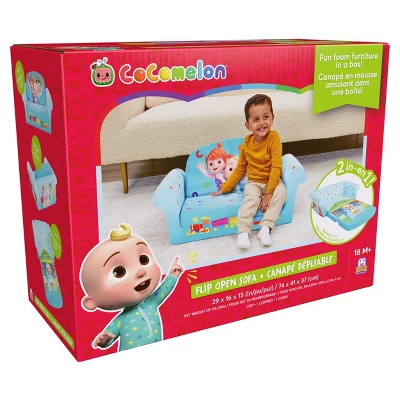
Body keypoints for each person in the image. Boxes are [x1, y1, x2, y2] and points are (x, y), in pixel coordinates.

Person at [80, 223, 184, 352]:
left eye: (143, 260)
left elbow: (164, 290)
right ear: (91, 302)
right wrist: (104, 340)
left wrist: (172, 275)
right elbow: (109, 335)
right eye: (119, 272)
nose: (141, 271)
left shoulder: (151, 303)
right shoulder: (120, 320)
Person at [211, 94, 286, 249]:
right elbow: (240, 169)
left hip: (272, 181)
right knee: (250, 200)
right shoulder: (247, 142)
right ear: (248, 125)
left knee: (282, 193)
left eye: (266, 117)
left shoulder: (274, 139)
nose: (262, 123)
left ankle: (265, 228)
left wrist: (269, 194)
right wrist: (224, 188)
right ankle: (243, 232)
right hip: (254, 183)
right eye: (256, 119)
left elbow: (276, 167)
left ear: (272, 118)